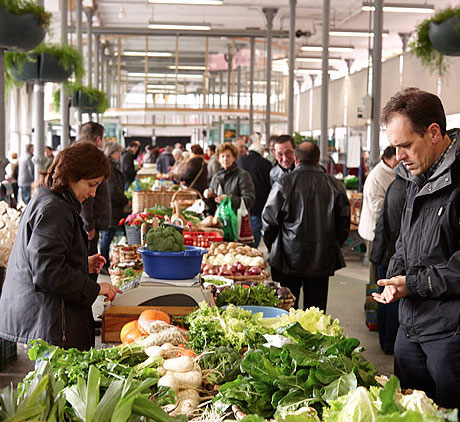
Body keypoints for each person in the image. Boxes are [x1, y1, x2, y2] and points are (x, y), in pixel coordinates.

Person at [372, 88, 460, 409]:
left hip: (450, 336)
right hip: (409, 329)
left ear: (434, 132)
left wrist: (413, 284)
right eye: (395, 146)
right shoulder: (415, 177)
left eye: (406, 145)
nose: (399, 156)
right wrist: (395, 278)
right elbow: (405, 242)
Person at [0, 142, 121, 350]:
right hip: (50, 324)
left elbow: (49, 258)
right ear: (73, 176)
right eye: (91, 184)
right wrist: (94, 288)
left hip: (50, 319)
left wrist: (81, 263)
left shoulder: (53, 199)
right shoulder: (55, 209)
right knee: (52, 381)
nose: (93, 193)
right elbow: (47, 271)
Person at [262, 142, 350, 311]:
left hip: (286, 258)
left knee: (285, 309)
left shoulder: (284, 183)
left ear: (296, 158)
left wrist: (274, 246)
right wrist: (331, 246)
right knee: (315, 312)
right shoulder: (335, 185)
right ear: (318, 159)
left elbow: (269, 221)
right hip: (321, 258)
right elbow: (343, 224)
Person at [370, 175, 407, 355]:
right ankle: (390, 343)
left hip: (387, 253)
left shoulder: (396, 184)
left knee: (384, 300)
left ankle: (385, 341)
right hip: (395, 255)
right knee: (392, 302)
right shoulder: (408, 188)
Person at [358, 146, 398, 284]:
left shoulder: (393, 171)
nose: (399, 161)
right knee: (375, 268)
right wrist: (395, 205)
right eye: (395, 159)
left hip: (386, 230)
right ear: (386, 159)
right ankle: (373, 302)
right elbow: (376, 206)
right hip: (374, 231)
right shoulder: (377, 175)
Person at [77, 123, 111, 270]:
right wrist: (89, 224)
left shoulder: (80, 154)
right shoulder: (90, 158)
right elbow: (87, 197)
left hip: (85, 221)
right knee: (88, 265)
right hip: (87, 223)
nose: (93, 191)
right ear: (98, 139)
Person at [100, 142, 129, 271]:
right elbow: (113, 190)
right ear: (112, 153)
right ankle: (103, 263)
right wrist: (125, 200)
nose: (120, 155)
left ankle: (104, 261)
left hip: (112, 207)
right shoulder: (109, 168)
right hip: (110, 207)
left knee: (109, 234)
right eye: (118, 152)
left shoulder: (110, 166)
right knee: (107, 234)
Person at [237, 143, 272, 247]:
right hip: (259, 201)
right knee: (255, 226)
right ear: (261, 152)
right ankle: (253, 248)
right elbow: (269, 184)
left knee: (242, 226)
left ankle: (242, 248)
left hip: (242, 200)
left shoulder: (241, 161)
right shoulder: (266, 163)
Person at [205, 142, 255, 215]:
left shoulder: (243, 175)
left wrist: (229, 199)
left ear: (234, 158)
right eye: (222, 156)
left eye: (228, 156)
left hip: (236, 219)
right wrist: (207, 196)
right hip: (219, 218)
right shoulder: (216, 176)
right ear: (218, 159)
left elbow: (249, 200)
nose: (225, 159)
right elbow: (212, 203)